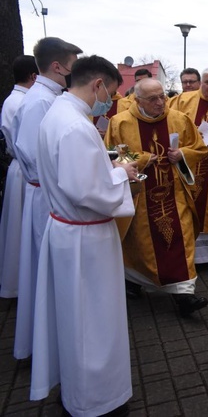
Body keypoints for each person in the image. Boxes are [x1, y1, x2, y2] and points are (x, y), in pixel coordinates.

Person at [30, 55, 137, 417]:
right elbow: (89, 192)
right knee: (94, 322)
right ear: (98, 85)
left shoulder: (58, 115)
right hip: (85, 240)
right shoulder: (76, 126)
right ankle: (97, 400)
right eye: (110, 92)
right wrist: (125, 173)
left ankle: (82, 390)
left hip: (68, 231)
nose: (108, 101)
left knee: (77, 319)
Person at [105, 78, 208, 317]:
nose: (160, 102)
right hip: (140, 194)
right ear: (137, 100)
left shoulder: (179, 119)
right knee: (140, 242)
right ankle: (134, 281)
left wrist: (182, 153)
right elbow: (111, 153)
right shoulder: (119, 122)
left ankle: (184, 294)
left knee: (180, 238)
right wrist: (141, 159)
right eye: (152, 99)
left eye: (162, 96)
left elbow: (200, 148)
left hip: (174, 192)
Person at [11, 37, 82, 359]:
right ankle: (47, 345)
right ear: (57, 66)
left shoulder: (46, 97)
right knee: (45, 275)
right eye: (72, 66)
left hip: (47, 192)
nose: (74, 73)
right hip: (47, 195)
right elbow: (32, 153)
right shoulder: (41, 101)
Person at [169, 67, 208, 263]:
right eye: (207, 82)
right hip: (185, 167)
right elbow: (169, 125)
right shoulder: (182, 101)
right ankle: (186, 250)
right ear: (201, 83)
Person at [0, 56, 38, 299]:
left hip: (21, 169)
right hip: (26, 170)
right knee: (22, 230)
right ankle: (20, 284)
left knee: (19, 228)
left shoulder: (18, 100)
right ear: (34, 77)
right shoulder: (22, 102)